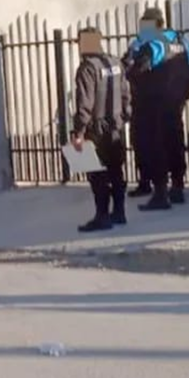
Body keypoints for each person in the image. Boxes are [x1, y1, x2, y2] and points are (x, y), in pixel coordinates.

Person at [123, 7, 189, 210]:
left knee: (154, 146)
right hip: (174, 104)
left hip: (152, 104)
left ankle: (160, 194)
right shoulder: (181, 41)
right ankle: (177, 187)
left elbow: (135, 69)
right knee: (174, 142)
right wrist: (185, 94)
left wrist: (134, 82)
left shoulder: (151, 43)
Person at [70, 27, 130, 232]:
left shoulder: (87, 68)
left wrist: (78, 133)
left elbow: (84, 104)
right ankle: (119, 212)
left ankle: (102, 216)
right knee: (116, 170)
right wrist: (123, 118)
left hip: (95, 130)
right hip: (116, 126)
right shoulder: (116, 63)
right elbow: (126, 95)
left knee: (97, 174)